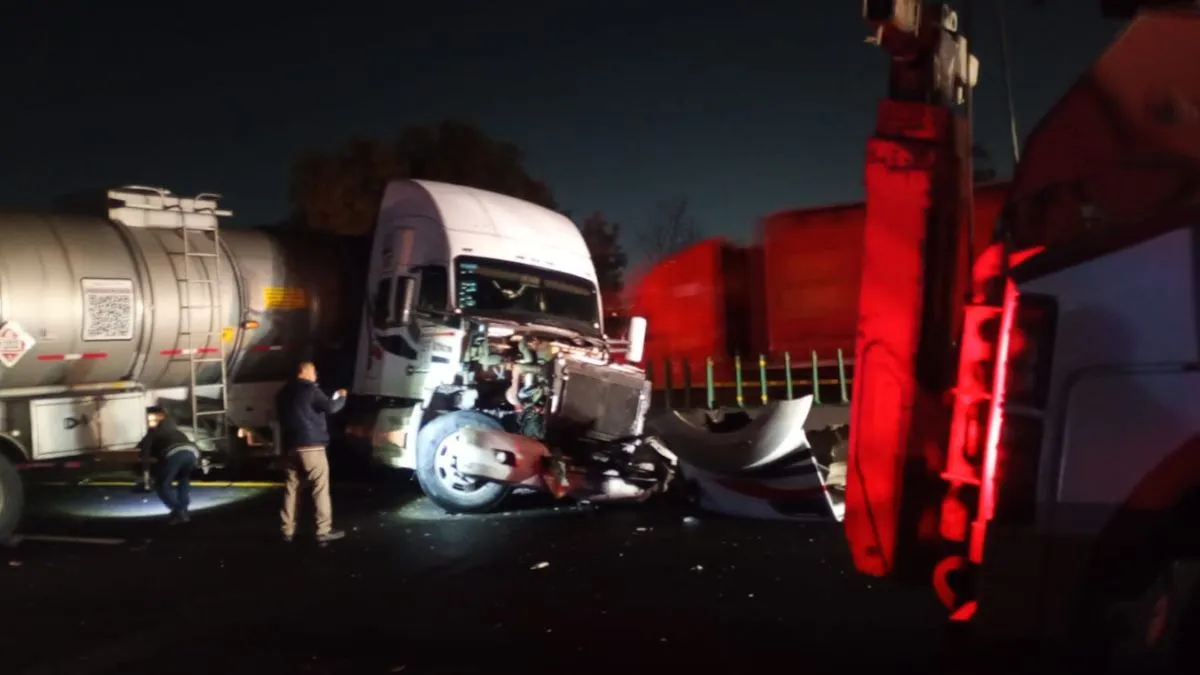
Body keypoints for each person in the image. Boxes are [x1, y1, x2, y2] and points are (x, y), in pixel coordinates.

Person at [275, 361, 348, 544]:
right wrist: (341, 397)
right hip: (312, 446)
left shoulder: (282, 393)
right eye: (314, 372)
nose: (316, 376)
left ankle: (287, 530)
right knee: (320, 487)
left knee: (291, 488)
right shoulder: (311, 390)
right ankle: (323, 530)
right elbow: (331, 407)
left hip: (290, 446)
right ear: (306, 372)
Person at [138, 406, 200, 525]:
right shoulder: (178, 432)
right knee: (184, 480)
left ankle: (178, 510)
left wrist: (146, 472)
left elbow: (143, 450)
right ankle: (183, 510)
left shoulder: (153, 432)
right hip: (192, 452)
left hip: (174, 453)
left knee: (162, 484)